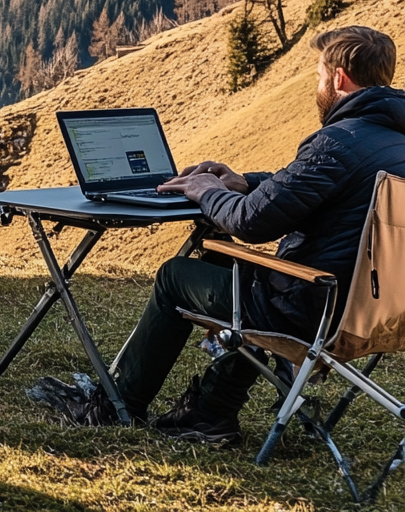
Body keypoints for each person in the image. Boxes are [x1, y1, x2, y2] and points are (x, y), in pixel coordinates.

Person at [30, 25, 405, 441]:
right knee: (220, 261)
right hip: (372, 313)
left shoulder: (338, 141)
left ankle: (119, 404)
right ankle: (210, 411)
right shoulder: (390, 142)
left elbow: (250, 223)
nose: (317, 85)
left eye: (318, 75)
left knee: (176, 275)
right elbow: (313, 188)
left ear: (338, 78)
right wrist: (244, 182)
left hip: (308, 310)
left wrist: (205, 189)